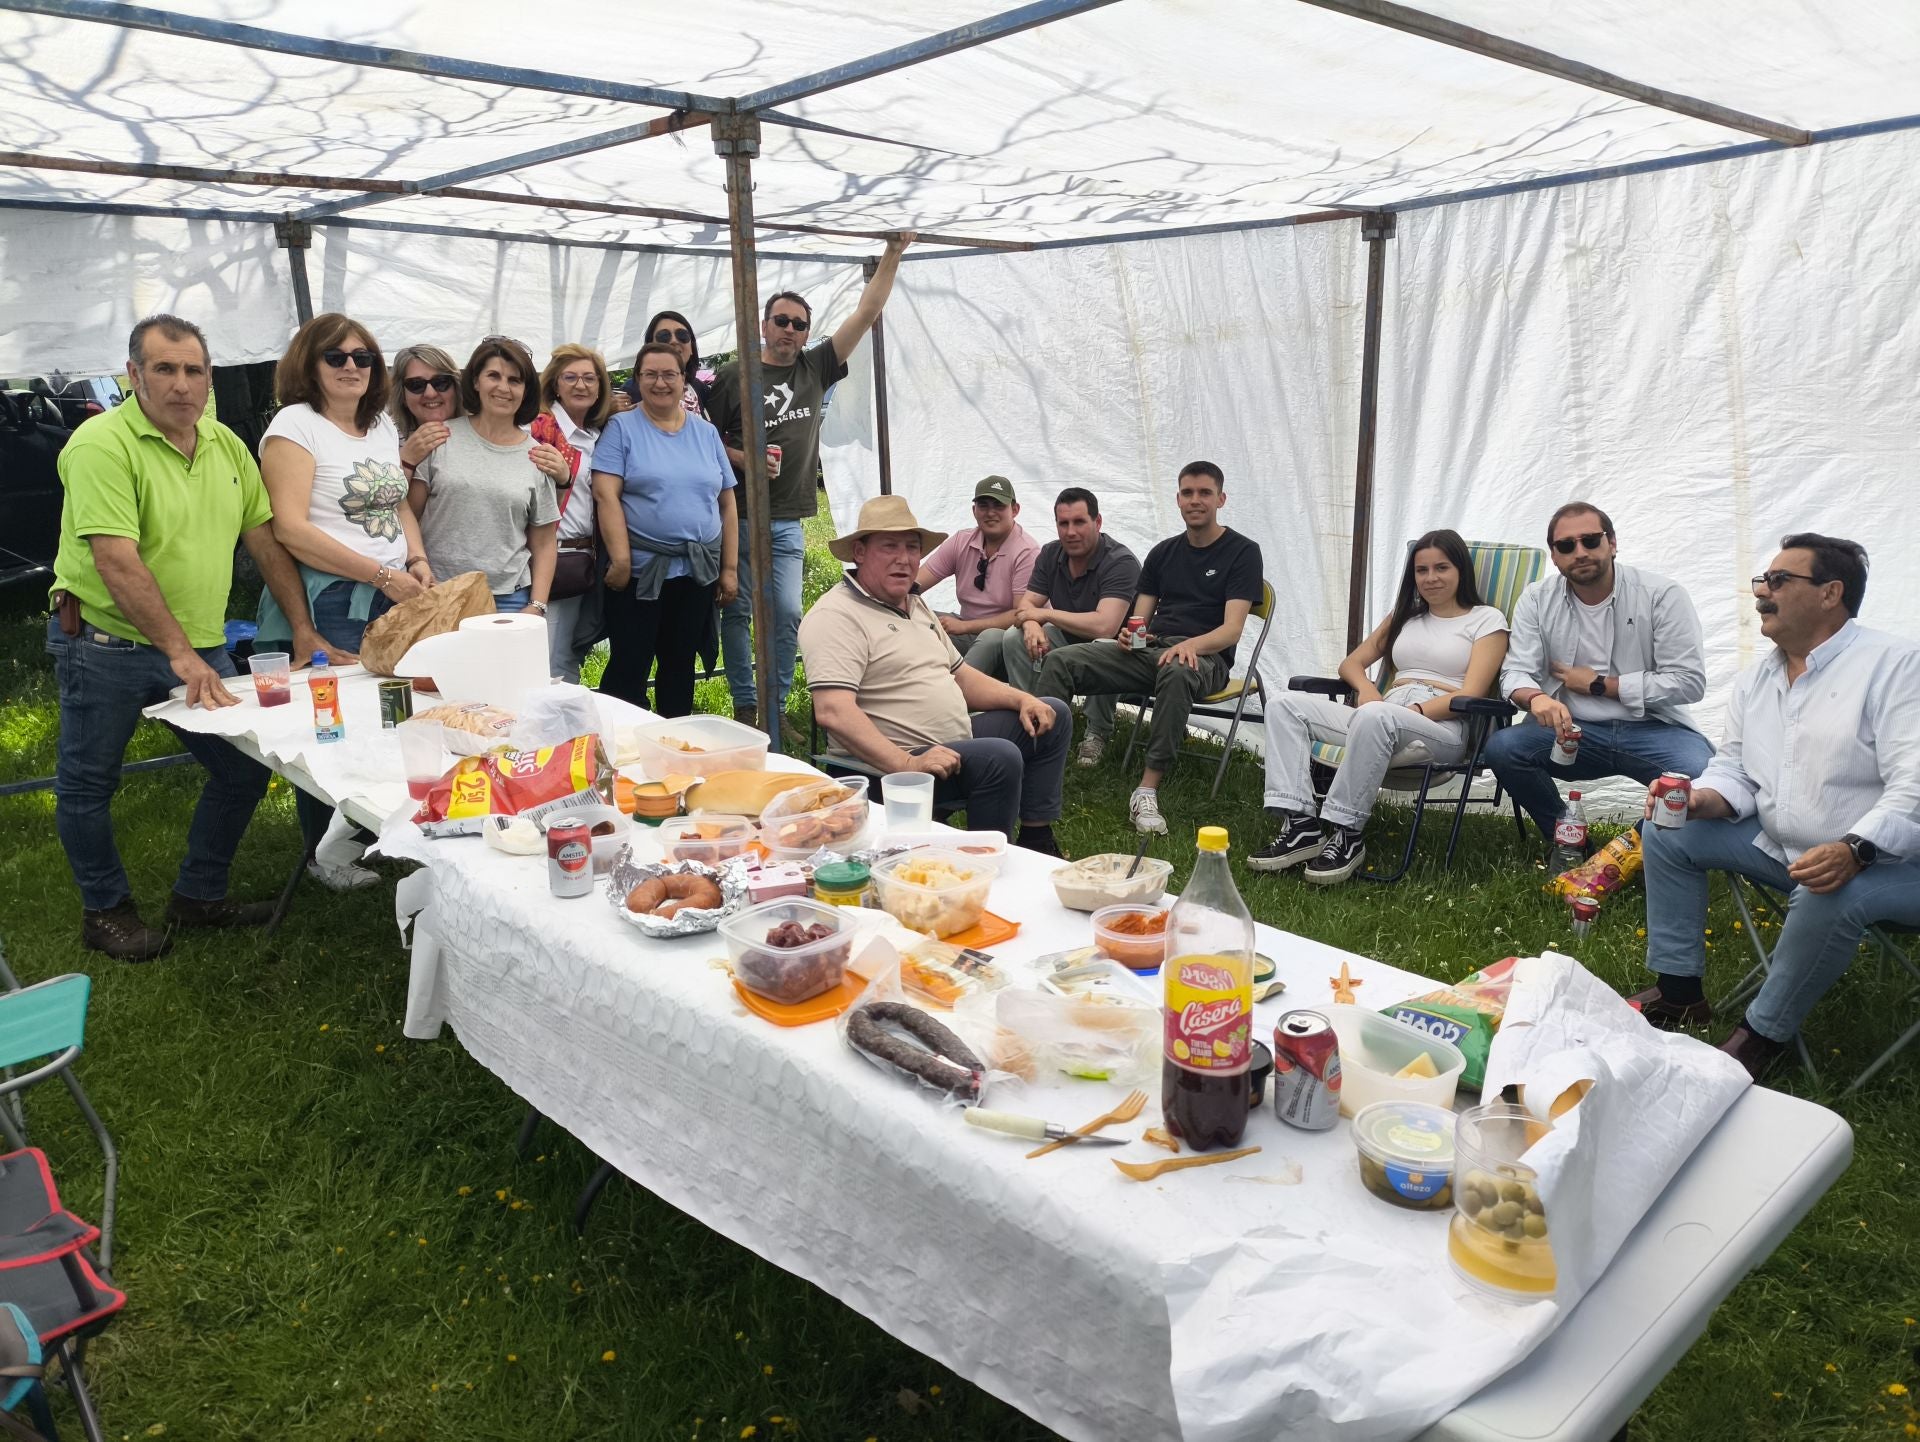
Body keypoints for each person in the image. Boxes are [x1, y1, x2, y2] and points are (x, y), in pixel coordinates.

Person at [45, 314, 331, 961]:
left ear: (209, 377)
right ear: (134, 375)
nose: (181, 384)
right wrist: (181, 653)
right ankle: (105, 911)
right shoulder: (99, 445)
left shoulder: (226, 445)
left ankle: (199, 896)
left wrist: (306, 628)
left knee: (242, 772)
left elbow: (264, 540)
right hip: (103, 642)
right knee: (88, 785)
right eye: (164, 369)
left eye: (193, 370)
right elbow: (117, 559)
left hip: (193, 647)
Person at [1635, 535, 1920, 1080]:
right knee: (1668, 831)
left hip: (1892, 864)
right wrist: (1700, 800)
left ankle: (1761, 1035)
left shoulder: (1896, 665)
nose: (1762, 593)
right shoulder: (1757, 678)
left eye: (1779, 581)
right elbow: (1736, 769)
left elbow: (1915, 782)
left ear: (1830, 593)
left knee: (1831, 883)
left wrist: (1856, 848)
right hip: (1790, 849)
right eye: (1761, 581)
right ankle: (1679, 992)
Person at [256, 313, 434, 890]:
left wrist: (417, 561)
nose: (354, 366)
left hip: (392, 589)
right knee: (332, 728)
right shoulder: (295, 426)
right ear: (309, 364)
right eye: (338, 357)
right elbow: (290, 529)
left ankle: (367, 835)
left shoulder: (380, 425)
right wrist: (383, 574)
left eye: (365, 357)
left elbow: (397, 504)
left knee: (394, 720)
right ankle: (321, 854)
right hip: (334, 598)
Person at [707, 233, 914, 729]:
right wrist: (745, 460)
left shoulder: (815, 368)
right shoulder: (735, 376)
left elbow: (866, 312)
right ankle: (744, 704)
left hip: (786, 520)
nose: (790, 330)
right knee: (736, 612)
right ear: (764, 324)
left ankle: (773, 710)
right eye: (781, 320)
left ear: (806, 334)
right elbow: (703, 446)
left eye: (799, 325)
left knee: (785, 615)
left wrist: (894, 252)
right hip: (735, 516)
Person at [800, 495, 1069, 854]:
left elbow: (962, 677)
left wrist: (1022, 698)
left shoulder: (914, 604)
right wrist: (908, 763)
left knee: (1053, 712)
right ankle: (982, 865)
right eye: (889, 547)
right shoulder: (836, 614)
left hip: (952, 742)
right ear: (859, 553)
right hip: (888, 768)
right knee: (997, 756)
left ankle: (1036, 843)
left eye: (912, 548)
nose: (904, 559)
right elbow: (833, 711)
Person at [1251, 530, 1509, 883]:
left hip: (1442, 726)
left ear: (1460, 570)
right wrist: (1368, 689)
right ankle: (1301, 826)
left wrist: (1412, 711)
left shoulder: (1487, 619)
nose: (1431, 578)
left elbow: (1474, 692)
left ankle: (1346, 833)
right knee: (1283, 705)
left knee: (1377, 716)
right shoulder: (1405, 615)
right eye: (1421, 570)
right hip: (1382, 714)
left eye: (1441, 568)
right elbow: (1351, 664)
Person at [1034, 462, 1263, 835]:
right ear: (1177, 499)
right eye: (1187, 493)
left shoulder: (1242, 552)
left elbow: (1231, 630)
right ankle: (1040, 771)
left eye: (1204, 493)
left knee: (1176, 670)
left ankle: (1146, 790)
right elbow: (1140, 622)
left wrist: (1189, 645)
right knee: (1060, 660)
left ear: (1220, 499)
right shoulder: (1163, 553)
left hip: (1205, 657)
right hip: (1153, 651)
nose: (1195, 500)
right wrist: (1130, 637)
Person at [1484, 501, 1714, 846]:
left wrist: (1599, 685)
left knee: (1708, 778)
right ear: (1555, 556)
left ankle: (1630, 855)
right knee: (1504, 748)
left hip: (1654, 727)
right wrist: (1536, 698)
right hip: (1573, 731)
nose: (1580, 552)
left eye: (1591, 540)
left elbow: (1689, 682)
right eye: (1566, 545)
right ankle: (1572, 844)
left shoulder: (1661, 595)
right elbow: (1515, 671)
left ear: (1612, 543)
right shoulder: (1535, 599)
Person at [591, 343, 739, 716]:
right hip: (640, 572)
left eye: (669, 374)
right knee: (630, 667)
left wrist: (730, 569)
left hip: (696, 573)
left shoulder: (705, 433)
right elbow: (606, 494)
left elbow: (727, 502)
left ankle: (675, 748)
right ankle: (621, 750)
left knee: (679, 666)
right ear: (638, 380)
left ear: (684, 379)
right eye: (650, 374)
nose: (660, 382)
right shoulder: (621, 428)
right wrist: (622, 559)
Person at [967, 486, 1139, 767]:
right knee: (1013, 636)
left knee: (1104, 647)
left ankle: (1097, 733)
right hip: (1067, 640)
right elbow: (1025, 607)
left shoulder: (1120, 561)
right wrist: (1033, 621)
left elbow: (1105, 626)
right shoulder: (1050, 553)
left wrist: (1045, 616)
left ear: (1097, 522)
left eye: (1079, 522)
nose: (1071, 531)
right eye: (1063, 523)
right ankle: (1029, 715)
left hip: (1118, 650)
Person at [407, 336, 566, 615]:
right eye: (494, 375)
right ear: (476, 381)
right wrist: (416, 565)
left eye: (515, 380)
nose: (503, 387)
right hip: (437, 592)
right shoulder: (441, 437)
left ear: (525, 389)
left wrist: (537, 605)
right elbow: (410, 514)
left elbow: (544, 542)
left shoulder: (537, 456)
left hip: (507, 600)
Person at [537, 344, 614, 683]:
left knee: (571, 650)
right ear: (555, 384)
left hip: (589, 559)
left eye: (589, 378)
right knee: (553, 660)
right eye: (570, 378)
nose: (580, 385)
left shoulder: (597, 435)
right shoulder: (539, 430)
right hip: (555, 555)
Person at [911, 475, 1041, 657]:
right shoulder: (961, 541)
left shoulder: (1026, 551)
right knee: (913, 616)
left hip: (1007, 637)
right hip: (966, 626)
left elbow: (1022, 614)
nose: (990, 512)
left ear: (1015, 509)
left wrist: (965, 626)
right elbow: (915, 583)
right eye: (983, 505)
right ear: (974, 510)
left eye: (998, 505)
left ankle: (960, 684)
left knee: (989, 639)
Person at [388, 343, 462, 481]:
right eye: (416, 385)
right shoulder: (385, 438)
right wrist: (406, 460)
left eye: (440, 382)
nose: (430, 393)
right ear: (402, 395)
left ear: (456, 388)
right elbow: (379, 500)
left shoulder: (480, 432)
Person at [617, 310, 714, 416]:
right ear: (649, 347)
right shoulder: (632, 390)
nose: (674, 341)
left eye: (682, 335)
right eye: (663, 336)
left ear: (691, 347)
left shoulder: (700, 389)